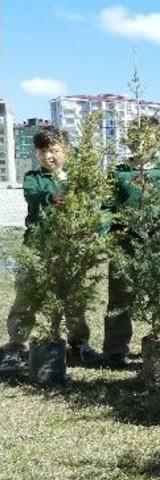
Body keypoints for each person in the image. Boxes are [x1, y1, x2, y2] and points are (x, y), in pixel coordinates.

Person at [0, 127, 103, 372]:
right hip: (38, 246)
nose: (49, 156)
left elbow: (93, 207)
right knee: (26, 296)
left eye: (54, 150)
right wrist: (53, 197)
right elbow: (34, 195)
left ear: (65, 149)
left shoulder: (78, 178)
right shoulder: (33, 177)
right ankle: (15, 347)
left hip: (71, 247)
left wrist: (93, 229)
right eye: (44, 151)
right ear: (37, 153)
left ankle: (79, 343)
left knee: (74, 297)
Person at [102, 117, 160, 368]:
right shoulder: (119, 173)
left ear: (158, 139)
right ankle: (115, 350)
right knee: (119, 298)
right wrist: (105, 233)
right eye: (136, 136)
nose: (142, 142)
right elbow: (106, 207)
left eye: (148, 137)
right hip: (124, 246)